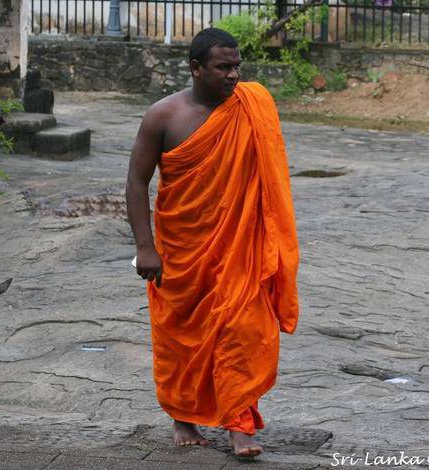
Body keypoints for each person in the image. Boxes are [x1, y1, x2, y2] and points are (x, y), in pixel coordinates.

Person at [125, 28, 300, 457]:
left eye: (237, 66)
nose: (233, 76)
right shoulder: (163, 116)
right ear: (195, 68)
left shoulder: (252, 105)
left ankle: (240, 423)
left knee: (244, 329)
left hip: (241, 248)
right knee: (181, 335)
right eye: (223, 67)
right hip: (182, 249)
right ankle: (183, 415)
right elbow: (136, 181)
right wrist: (145, 247)